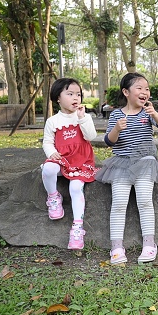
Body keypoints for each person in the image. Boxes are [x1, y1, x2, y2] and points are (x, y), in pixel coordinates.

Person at [95, 73, 158, 264]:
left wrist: (155, 114)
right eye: (139, 88)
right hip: (121, 162)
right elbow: (109, 141)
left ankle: (149, 244)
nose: (145, 92)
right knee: (119, 203)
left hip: (145, 161)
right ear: (126, 92)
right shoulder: (117, 115)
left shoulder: (148, 111)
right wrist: (117, 129)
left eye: (147, 88)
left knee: (144, 201)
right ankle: (117, 247)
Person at [41, 78, 99, 250]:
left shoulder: (83, 117)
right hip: (62, 160)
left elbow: (91, 136)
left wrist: (82, 119)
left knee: (75, 188)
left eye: (78, 94)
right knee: (48, 168)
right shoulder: (53, 121)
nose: (76, 98)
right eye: (70, 94)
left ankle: (77, 227)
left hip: (81, 161)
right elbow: (47, 142)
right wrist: (51, 153)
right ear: (58, 97)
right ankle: (53, 197)